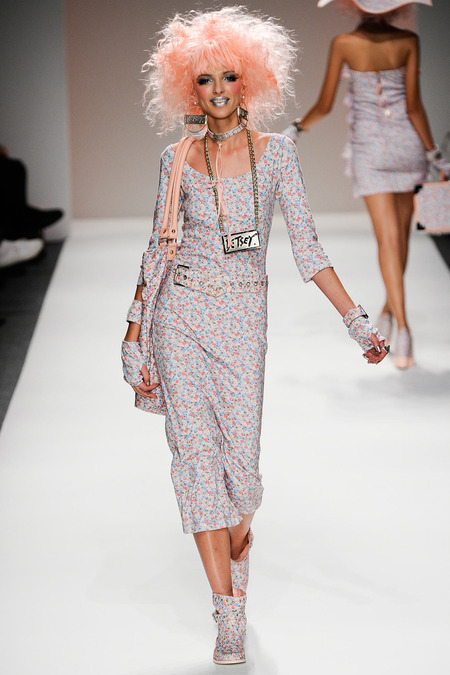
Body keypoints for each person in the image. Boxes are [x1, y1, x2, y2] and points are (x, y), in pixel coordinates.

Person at [121, 7, 388, 666]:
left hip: (243, 324)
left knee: (242, 477)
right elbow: (157, 250)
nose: (217, 89)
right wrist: (134, 332)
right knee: (195, 464)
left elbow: (308, 248)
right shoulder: (175, 159)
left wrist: (357, 321)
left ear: (249, 81)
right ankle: (227, 613)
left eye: (228, 76)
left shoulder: (277, 155)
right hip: (181, 318)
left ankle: (237, 568)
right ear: (189, 88)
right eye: (204, 78)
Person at [283, 0, 449, 369]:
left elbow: (325, 104)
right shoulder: (408, 40)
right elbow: (414, 107)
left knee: (388, 241)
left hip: (370, 152)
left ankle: (402, 326)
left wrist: (296, 129)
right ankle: (394, 317)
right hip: (407, 147)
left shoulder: (344, 43)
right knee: (400, 240)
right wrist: (434, 154)